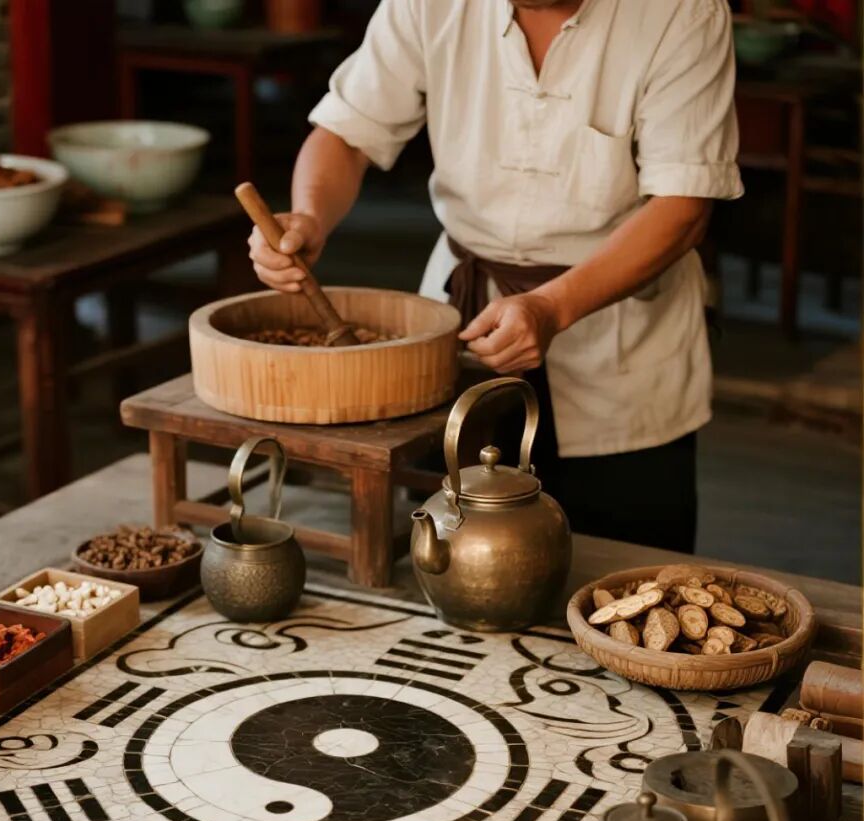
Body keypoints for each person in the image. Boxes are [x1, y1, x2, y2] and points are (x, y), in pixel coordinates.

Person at [247, 0, 743, 554]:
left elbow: (683, 208)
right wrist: (309, 214)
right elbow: (348, 133)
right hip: (465, 320)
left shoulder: (683, 12)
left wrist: (553, 307)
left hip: (623, 341)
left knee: (630, 574)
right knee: (457, 556)